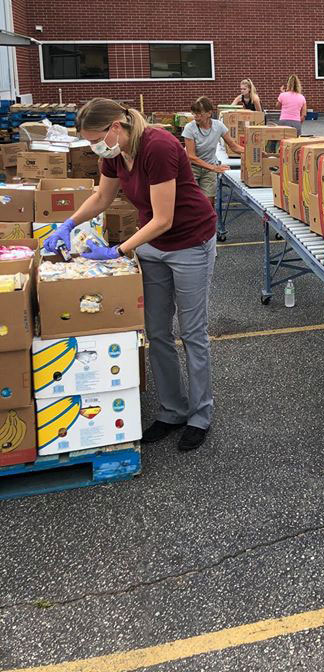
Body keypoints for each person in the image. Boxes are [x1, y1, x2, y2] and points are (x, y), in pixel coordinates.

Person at [44, 99, 218, 452]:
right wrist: (68, 223)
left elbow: (164, 218)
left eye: (96, 139)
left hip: (189, 242)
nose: (96, 147)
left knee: (193, 331)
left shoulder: (158, 146)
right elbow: (102, 197)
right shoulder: (112, 153)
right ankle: (172, 410)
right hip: (152, 245)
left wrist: (118, 250)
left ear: (116, 128)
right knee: (156, 330)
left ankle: (201, 415)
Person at [182, 96, 244, 203]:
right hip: (192, 168)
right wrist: (213, 168)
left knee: (208, 203)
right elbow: (191, 156)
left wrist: (251, 152)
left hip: (209, 167)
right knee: (193, 202)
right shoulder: (189, 128)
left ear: (209, 113)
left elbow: (233, 146)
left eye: (199, 113)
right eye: (194, 113)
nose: (196, 116)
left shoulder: (218, 126)